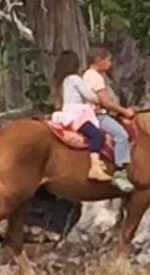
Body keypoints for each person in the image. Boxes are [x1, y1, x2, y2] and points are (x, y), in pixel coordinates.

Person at [51, 51, 113, 182]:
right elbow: (90, 95)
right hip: (77, 113)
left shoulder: (62, 81)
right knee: (96, 134)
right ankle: (95, 167)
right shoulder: (74, 79)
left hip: (68, 112)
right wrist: (101, 98)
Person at [83, 47, 136, 193]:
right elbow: (105, 102)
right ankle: (119, 172)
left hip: (90, 114)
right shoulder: (95, 77)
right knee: (121, 135)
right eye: (108, 60)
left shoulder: (87, 75)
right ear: (98, 60)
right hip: (97, 115)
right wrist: (125, 111)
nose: (110, 63)